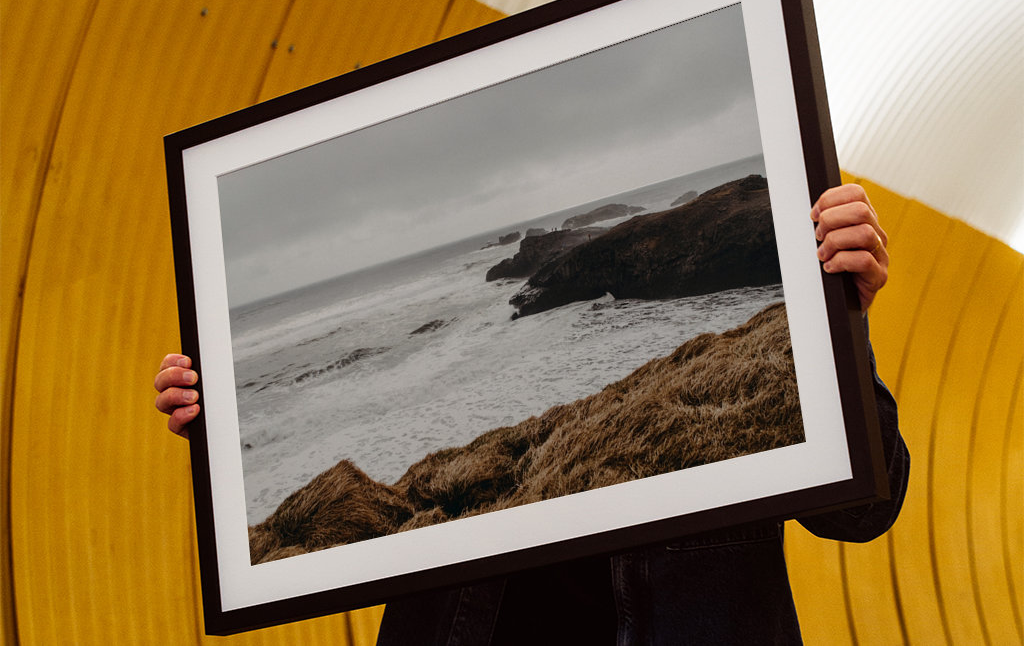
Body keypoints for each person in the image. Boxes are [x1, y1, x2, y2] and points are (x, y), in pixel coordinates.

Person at [155, 184, 908, 645]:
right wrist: (229, 439)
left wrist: (839, 321)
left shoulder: (747, 371)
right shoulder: (466, 474)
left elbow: (865, 511)